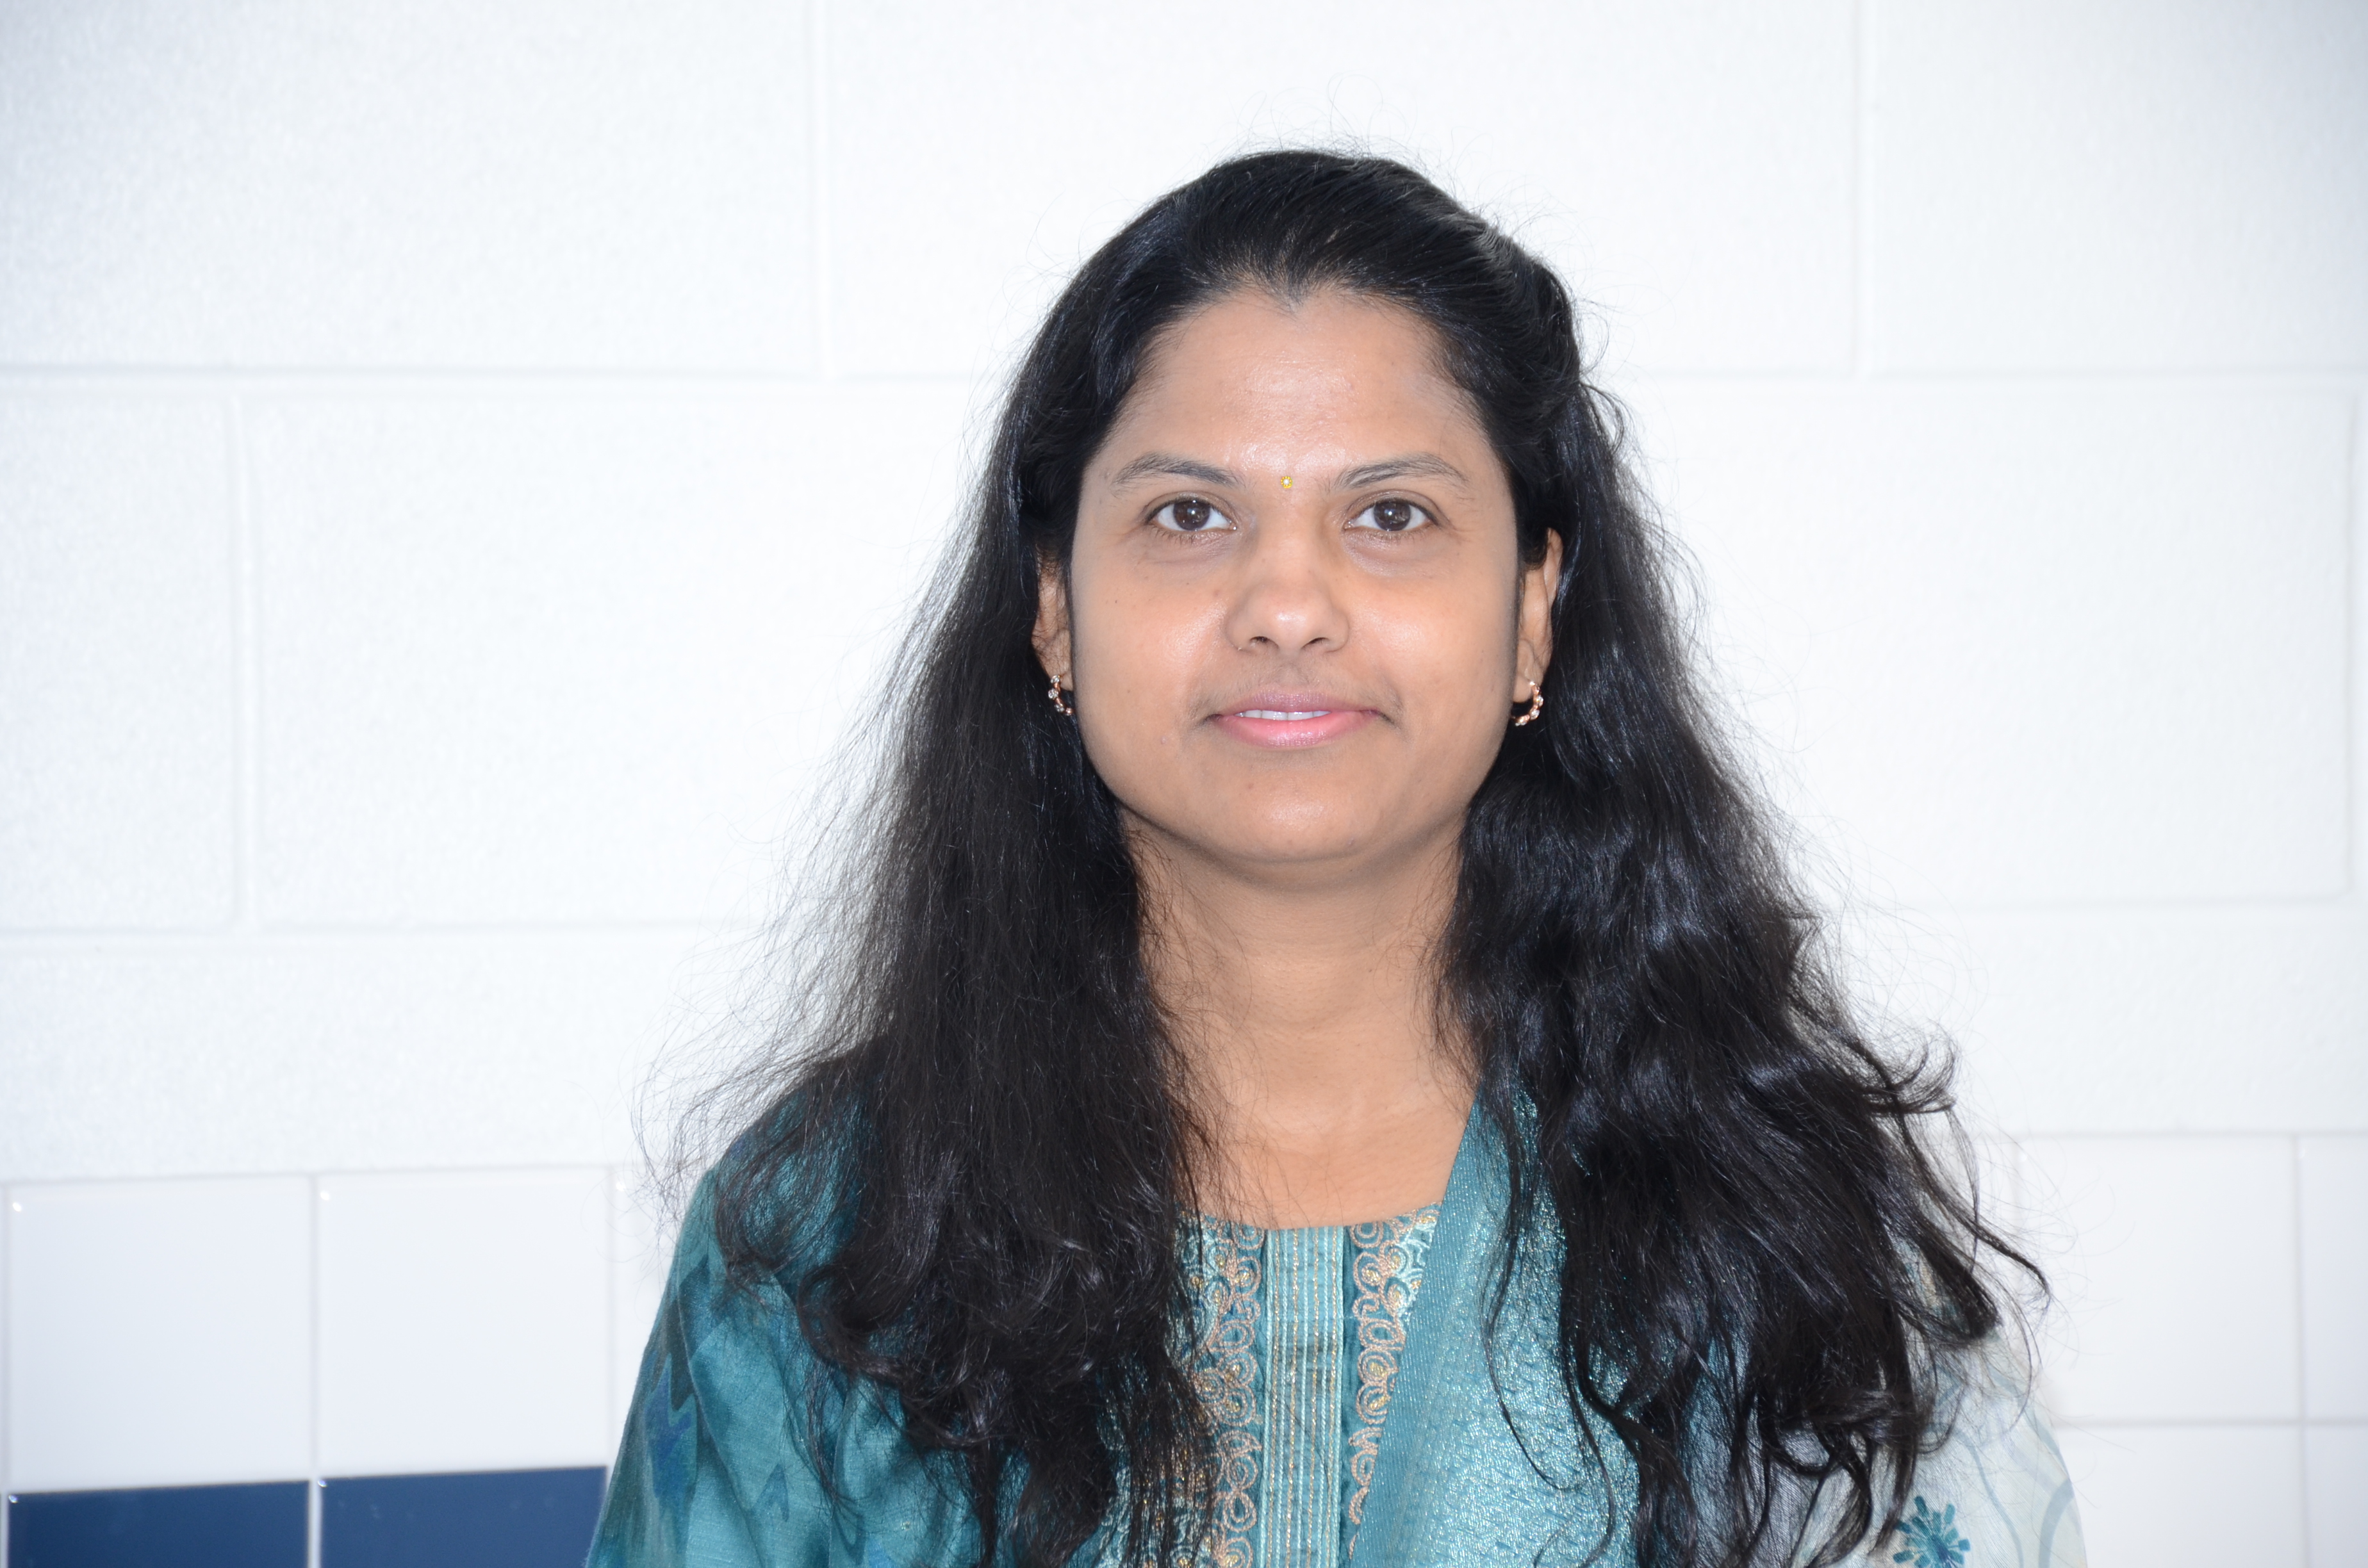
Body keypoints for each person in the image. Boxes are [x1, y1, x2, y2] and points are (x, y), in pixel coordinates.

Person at [591, 150, 2083, 1568]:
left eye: (1391, 515)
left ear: (1533, 612)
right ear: (1054, 611)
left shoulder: (1786, 1230)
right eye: (1189, 515)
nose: (1288, 603)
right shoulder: (832, 1240)